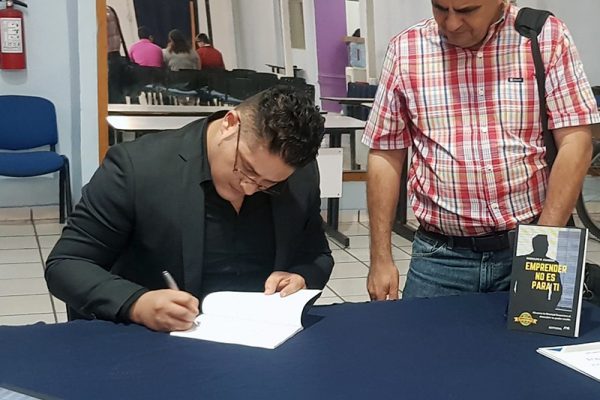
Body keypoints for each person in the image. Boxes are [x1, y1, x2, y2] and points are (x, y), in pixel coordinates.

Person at [45, 86, 332, 332]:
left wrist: (301, 277)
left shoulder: (299, 176)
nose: (248, 188)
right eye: (245, 169)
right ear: (230, 123)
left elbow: (316, 254)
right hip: (159, 341)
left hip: (261, 337)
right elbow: (67, 263)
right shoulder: (138, 167)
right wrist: (137, 303)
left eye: (268, 184)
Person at [363, 0, 598, 300]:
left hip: (534, 239)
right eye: (440, 8)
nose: (451, 24)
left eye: (467, 10)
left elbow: (576, 141)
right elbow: (385, 152)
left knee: (535, 333)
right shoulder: (406, 50)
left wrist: (545, 242)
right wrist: (380, 257)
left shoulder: (543, 37)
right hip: (440, 256)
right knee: (419, 333)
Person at [512, 234, 562, 310]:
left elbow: (557, 288)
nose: (546, 248)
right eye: (544, 245)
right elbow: (511, 284)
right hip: (521, 306)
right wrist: (515, 301)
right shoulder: (520, 261)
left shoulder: (552, 264)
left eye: (546, 245)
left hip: (540, 307)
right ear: (535, 246)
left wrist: (551, 305)